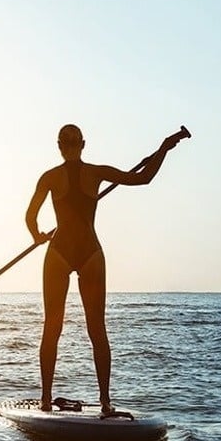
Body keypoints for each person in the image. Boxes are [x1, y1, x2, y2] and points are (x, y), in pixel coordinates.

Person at [25, 124, 185, 415]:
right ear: (82, 144)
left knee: (52, 328)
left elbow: (30, 216)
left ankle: (46, 400)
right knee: (97, 330)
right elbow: (144, 178)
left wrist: (36, 236)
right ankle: (105, 403)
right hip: (91, 253)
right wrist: (164, 148)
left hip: (59, 252)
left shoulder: (49, 177)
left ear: (59, 146)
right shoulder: (96, 172)